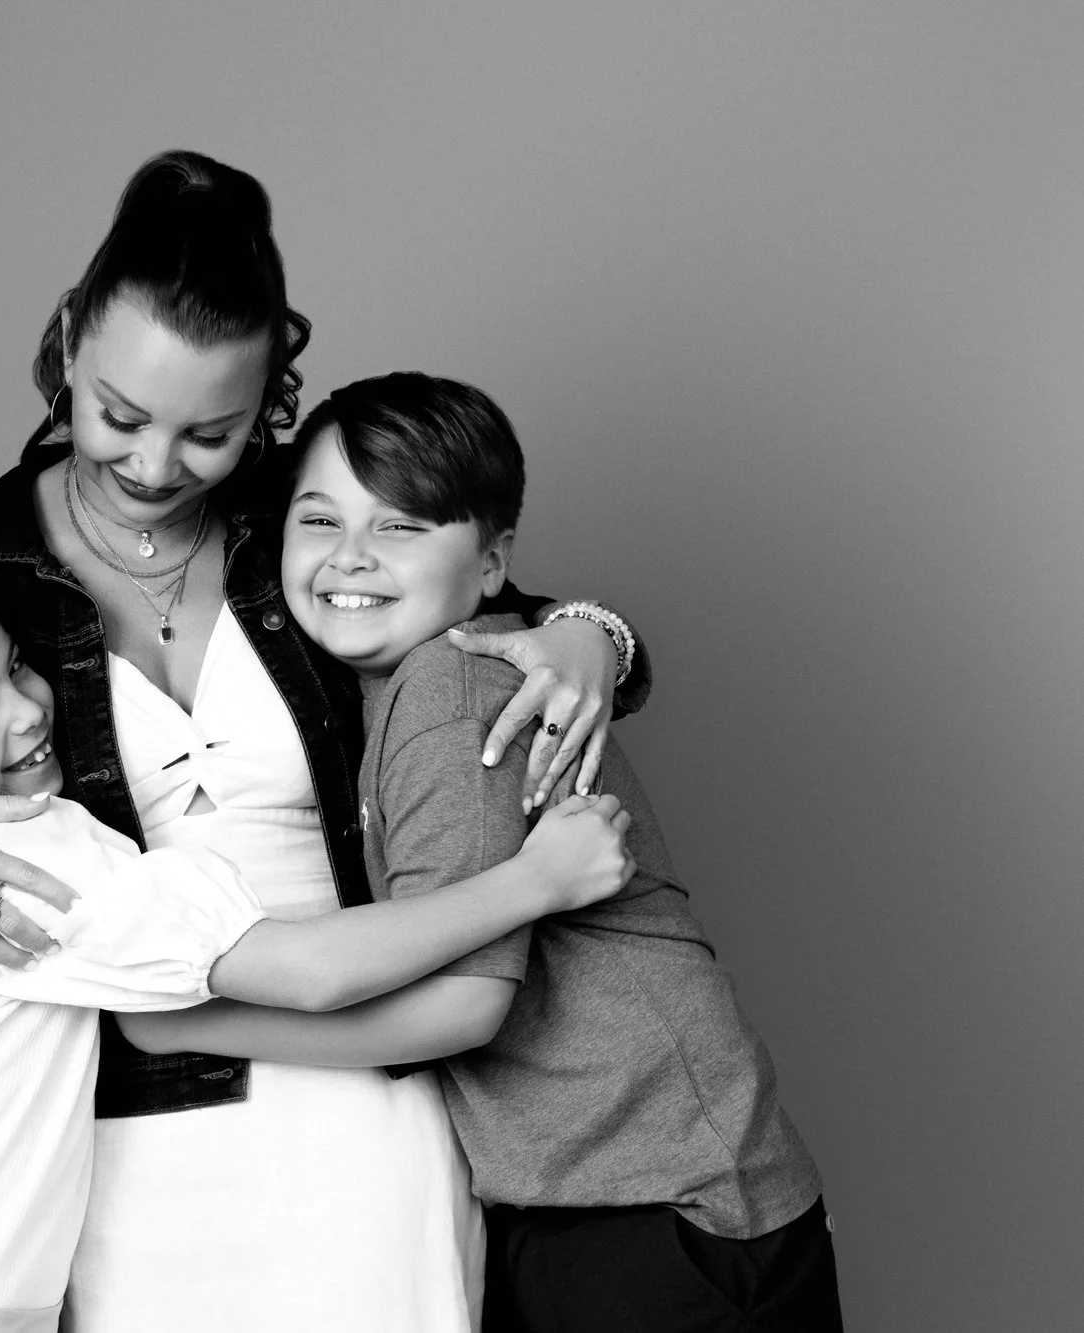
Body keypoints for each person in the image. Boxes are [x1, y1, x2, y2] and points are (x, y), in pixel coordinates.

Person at [0, 150, 655, 1331]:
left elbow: (492, 617)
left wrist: (598, 637)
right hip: (127, 1116)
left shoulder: (302, 515)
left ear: (267, 408)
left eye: (210, 433)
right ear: (67, 346)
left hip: (367, 1092)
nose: (154, 467)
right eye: (118, 416)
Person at [121, 373, 842, 1332]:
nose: (351, 556)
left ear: (492, 561)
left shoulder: (447, 699)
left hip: (659, 1207)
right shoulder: (409, 685)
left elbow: (463, 1007)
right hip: (657, 1191)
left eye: (401, 526)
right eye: (320, 520)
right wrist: (595, 631)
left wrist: (185, 1026)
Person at [0, 554, 633, 1332]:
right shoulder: (15, 861)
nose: (26, 710)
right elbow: (313, 973)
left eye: (16, 666)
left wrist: (591, 634)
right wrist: (536, 882)